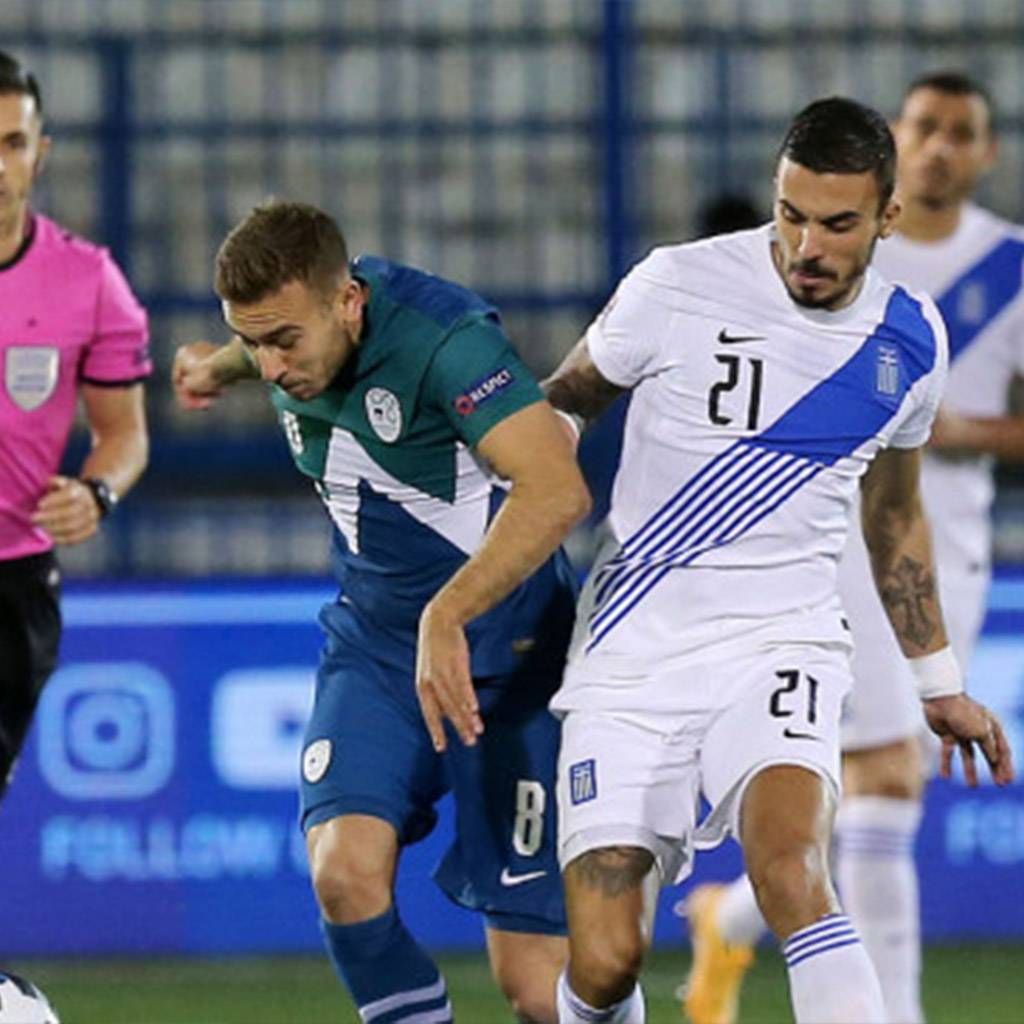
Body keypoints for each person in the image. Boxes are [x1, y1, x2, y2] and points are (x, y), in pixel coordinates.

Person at [540, 96, 1014, 1024]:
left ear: (886, 217)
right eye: (791, 215)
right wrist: (527, 505)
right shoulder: (676, 283)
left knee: (795, 872)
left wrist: (938, 679)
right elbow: (565, 399)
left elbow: (893, 510)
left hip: (781, 641)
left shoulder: (909, 338)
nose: (806, 246)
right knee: (606, 960)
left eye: (837, 224)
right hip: (633, 646)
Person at [171, 199, 591, 1023]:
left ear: (349, 301)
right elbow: (259, 344)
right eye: (253, 342)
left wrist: (449, 613)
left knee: (536, 987)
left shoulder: (446, 342)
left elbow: (557, 490)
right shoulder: (287, 335)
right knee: (343, 873)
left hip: (514, 657)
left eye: (283, 341)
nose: (272, 367)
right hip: (378, 652)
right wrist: (212, 369)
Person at [681, 72, 1024, 1024]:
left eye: (961, 131)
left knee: (878, 782)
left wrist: (965, 431)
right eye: (925, 126)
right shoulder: (831, 250)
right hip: (826, 535)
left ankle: (731, 920)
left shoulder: (1011, 270)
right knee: (885, 776)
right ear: (897, 146)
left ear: (987, 152)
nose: (941, 144)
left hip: (943, 545)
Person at [0, 51, 150, 801]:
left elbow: (124, 434)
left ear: (40, 152)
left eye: (12, 143)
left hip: (13, 581)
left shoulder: (88, 282)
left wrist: (97, 493)